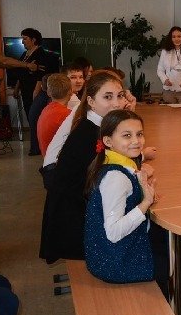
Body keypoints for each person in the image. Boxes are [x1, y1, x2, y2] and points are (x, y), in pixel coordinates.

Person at [39, 71, 127, 263]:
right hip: (75, 226)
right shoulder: (88, 133)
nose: (117, 103)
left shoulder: (95, 124)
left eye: (120, 96)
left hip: (80, 210)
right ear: (91, 102)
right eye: (108, 97)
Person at [83, 110, 157, 283]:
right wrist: (146, 202)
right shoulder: (116, 177)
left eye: (139, 134)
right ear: (108, 141)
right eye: (127, 135)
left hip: (111, 252)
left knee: (164, 241)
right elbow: (113, 233)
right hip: (115, 263)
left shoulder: (114, 162)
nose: (136, 141)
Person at [0, 19, 39, 159]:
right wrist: (27, 65)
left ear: (33, 40)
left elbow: (2, 63)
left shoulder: (38, 54)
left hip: (31, 91)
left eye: (25, 38)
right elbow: (3, 60)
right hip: (26, 90)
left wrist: (21, 66)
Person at [37, 73, 72, 157]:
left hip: (47, 158)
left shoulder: (46, 110)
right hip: (58, 161)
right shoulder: (67, 115)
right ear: (70, 92)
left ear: (48, 92)